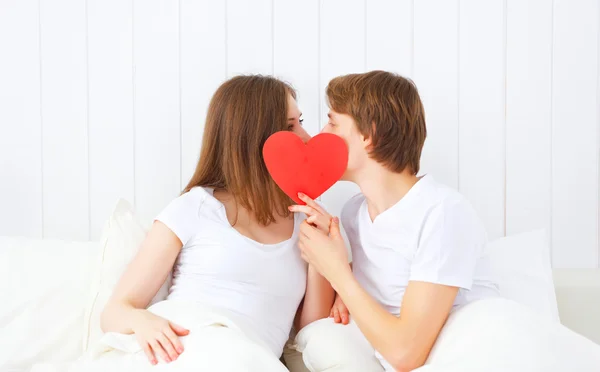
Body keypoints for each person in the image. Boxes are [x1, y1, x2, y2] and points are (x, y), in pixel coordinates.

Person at [100, 75, 335, 368]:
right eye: (290, 126)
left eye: (300, 121)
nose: (306, 137)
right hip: (178, 348)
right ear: (254, 137)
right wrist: (143, 321)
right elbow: (114, 312)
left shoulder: (307, 219)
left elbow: (310, 328)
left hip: (247, 358)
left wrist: (322, 252)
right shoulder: (195, 207)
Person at [293, 71, 499, 371]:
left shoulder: (442, 213)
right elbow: (314, 332)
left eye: (333, 122)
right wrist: (320, 258)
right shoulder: (353, 214)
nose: (318, 135)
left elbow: (405, 354)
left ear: (369, 135)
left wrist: (339, 273)